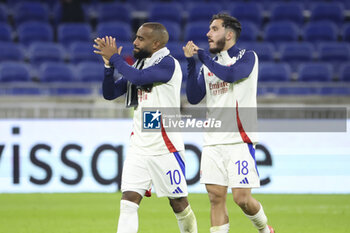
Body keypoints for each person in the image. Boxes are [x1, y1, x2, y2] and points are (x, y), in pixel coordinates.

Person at [93, 22, 197, 233]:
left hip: (165, 147)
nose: (135, 42)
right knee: (128, 202)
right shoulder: (139, 65)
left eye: (141, 38)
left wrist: (115, 57)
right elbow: (110, 93)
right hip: (139, 146)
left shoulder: (168, 65)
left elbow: (138, 79)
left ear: (156, 43)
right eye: (136, 37)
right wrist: (108, 66)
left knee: (178, 204)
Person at [183, 14, 275, 233]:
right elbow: (194, 97)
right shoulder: (209, 65)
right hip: (213, 141)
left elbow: (232, 75)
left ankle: (264, 229)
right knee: (215, 197)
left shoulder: (247, 57)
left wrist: (204, 58)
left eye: (214, 29)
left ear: (229, 34)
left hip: (239, 140)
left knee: (241, 198)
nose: (208, 34)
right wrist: (190, 64)